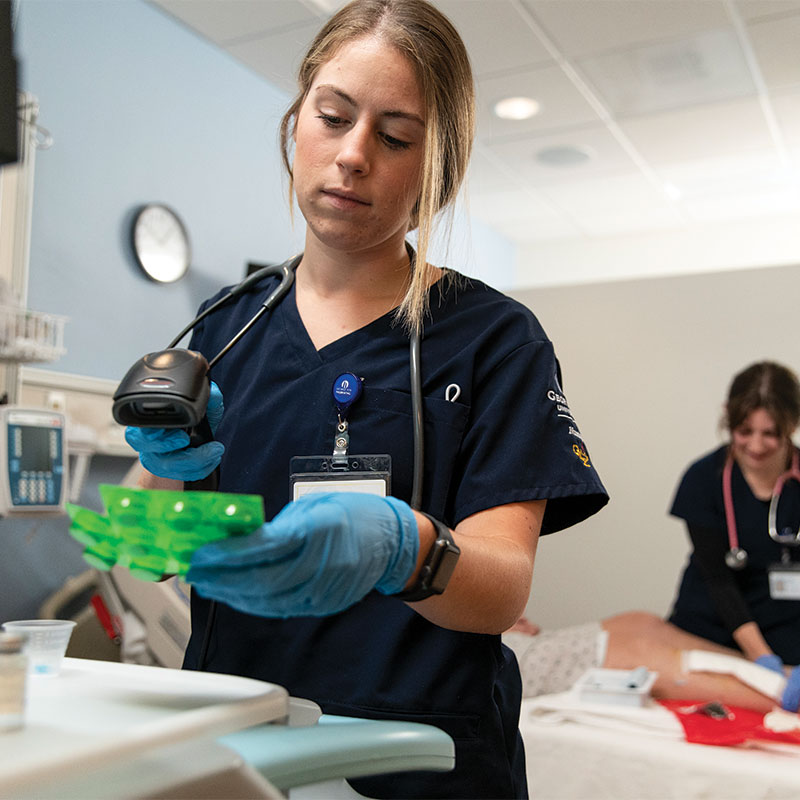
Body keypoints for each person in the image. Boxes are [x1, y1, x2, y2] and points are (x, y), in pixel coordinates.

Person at [123, 2, 608, 797]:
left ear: (436, 169)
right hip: (239, 743)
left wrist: (401, 545)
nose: (352, 156)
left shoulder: (495, 340)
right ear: (295, 125)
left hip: (417, 756)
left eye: (394, 137)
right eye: (333, 117)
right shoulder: (225, 327)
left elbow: (501, 590)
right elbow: (153, 549)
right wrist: (155, 473)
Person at [667, 361, 800, 675]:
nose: (755, 446)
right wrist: (763, 661)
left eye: (770, 434)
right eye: (744, 431)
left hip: (789, 635)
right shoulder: (703, 479)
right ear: (728, 417)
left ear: (792, 423)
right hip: (708, 632)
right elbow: (719, 582)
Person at [503, 612, 800, 714]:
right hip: (493, 658)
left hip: (501, 639)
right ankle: (780, 693)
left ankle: (780, 675)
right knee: (642, 659)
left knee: (641, 623)